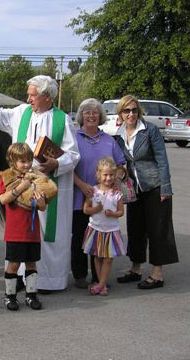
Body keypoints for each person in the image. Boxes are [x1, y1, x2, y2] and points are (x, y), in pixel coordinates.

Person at [0, 75, 80, 291]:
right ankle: (21, 278)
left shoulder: (62, 120)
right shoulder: (22, 113)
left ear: (47, 96)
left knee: (48, 235)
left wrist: (55, 163)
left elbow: (74, 154)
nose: (28, 98)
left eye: (32, 94)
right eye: (29, 94)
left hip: (48, 186)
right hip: (22, 186)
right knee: (22, 232)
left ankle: (49, 281)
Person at [113, 95, 178, 289]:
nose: (131, 114)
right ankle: (136, 268)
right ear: (121, 113)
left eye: (134, 110)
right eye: (127, 111)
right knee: (135, 228)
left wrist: (165, 187)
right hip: (134, 190)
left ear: (138, 111)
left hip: (154, 186)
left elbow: (162, 160)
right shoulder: (119, 133)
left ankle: (157, 273)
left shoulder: (150, 130)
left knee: (157, 230)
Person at [72, 99, 126, 289]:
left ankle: (99, 277)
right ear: (81, 116)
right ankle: (79, 275)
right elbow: (66, 167)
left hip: (105, 203)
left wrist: (116, 181)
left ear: (100, 116)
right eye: (87, 112)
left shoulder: (109, 140)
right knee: (79, 235)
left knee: (100, 238)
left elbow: (120, 165)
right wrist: (81, 185)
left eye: (95, 112)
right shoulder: (74, 138)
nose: (91, 116)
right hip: (80, 197)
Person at [0, 143, 47, 310]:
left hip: (32, 230)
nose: (27, 165)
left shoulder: (36, 176)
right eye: (22, 161)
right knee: (13, 264)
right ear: (13, 161)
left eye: (29, 160)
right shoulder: (6, 176)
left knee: (31, 263)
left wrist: (41, 202)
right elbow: (3, 199)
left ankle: (31, 294)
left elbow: (43, 206)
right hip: (15, 231)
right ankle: (10, 296)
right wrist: (21, 187)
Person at [82, 157, 126, 296]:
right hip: (96, 228)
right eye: (105, 175)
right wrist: (96, 210)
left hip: (111, 230)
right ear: (99, 175)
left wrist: (113, 213)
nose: (108, 178)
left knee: (108, 258)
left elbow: (121, 212)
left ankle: (101, 284)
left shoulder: (117, 194)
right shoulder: (93, 191)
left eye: (111, 175)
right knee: (98, 256)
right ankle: (102, 283)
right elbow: (85, 209)